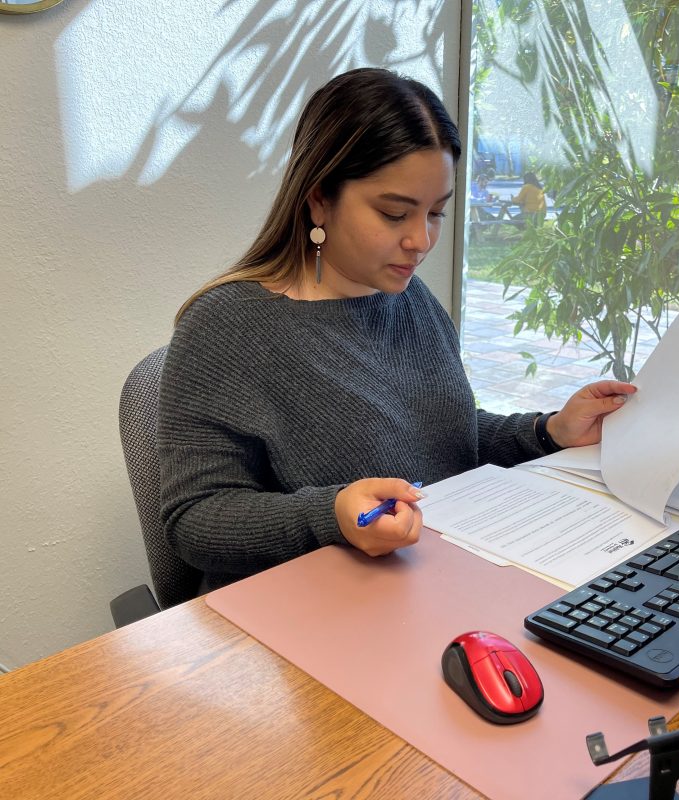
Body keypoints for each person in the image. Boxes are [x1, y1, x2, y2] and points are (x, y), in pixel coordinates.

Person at [158, 68, 635, 594]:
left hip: (426, 581)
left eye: (436, 213)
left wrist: (550, 431)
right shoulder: (227, 325)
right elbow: (194, 520)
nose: (420, 240)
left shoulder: (410, 299)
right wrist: (331, 514)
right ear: (319, 199)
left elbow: (445, 437)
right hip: (304, 606)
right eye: (394, 214)